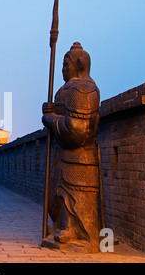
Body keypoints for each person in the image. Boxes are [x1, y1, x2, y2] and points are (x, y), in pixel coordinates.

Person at [42, 42, 101, 253]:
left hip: (78, 156)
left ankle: (77, 232)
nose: (63, 69)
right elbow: (62, 116)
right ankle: (63, 226)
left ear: (80, 64)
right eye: (62, 64)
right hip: (63, 156)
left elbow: (75, 131)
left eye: (67, 64)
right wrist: (50, 111)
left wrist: (49, 119)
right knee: (60, 194)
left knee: (74, 196)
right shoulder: (67, 89)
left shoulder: (82, 89)